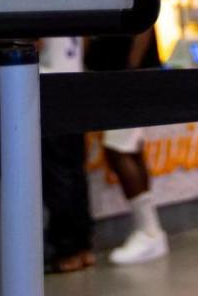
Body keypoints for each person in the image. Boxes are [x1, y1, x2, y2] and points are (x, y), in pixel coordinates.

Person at [85, 27, 169, 264]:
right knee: (130, 149)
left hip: (126, 77)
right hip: (120, 75)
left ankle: (149, 231)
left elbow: (143, 24)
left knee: (118, 151)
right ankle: (150, 230)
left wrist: (131, 68)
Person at [39, 37, 94, 273]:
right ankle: (83, 246)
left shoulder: (39, 0)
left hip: (50, 87)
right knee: (75, 171)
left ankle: (66, 249)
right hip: (75, 85)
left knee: (56, 174)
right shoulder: (74, 1)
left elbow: (33, 42)